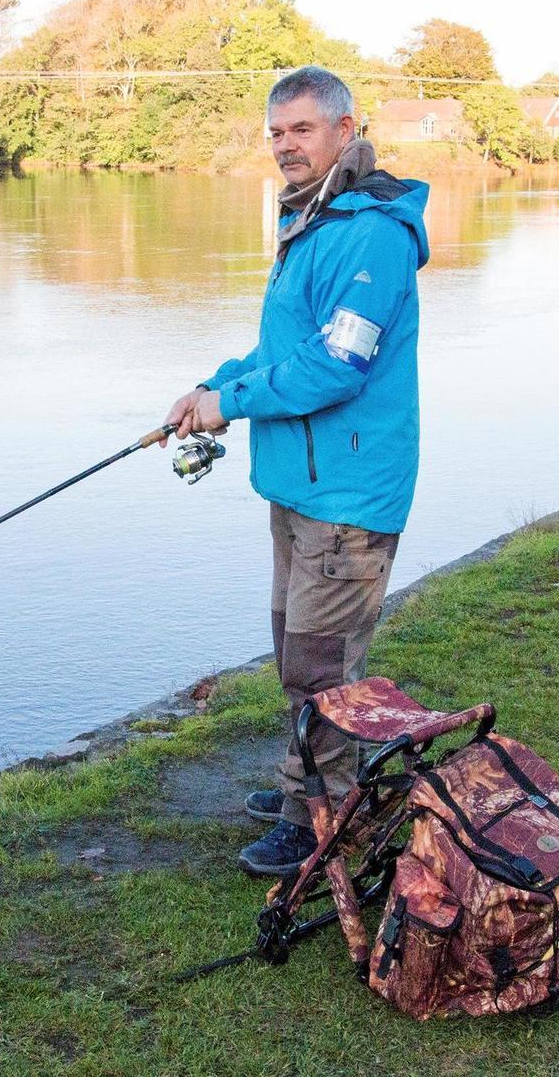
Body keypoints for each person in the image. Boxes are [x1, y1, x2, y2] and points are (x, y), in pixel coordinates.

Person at [161, 66, 429, 878]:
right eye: (276, 132)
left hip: (347, 495)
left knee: (323, 665)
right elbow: (285, 351)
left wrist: (231, 405)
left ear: (347, 131)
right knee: (295, 651)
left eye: (303, 130)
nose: (285, 146)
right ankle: (301, 788)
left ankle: (325, 819)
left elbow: (336, 366)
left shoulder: (373, 233)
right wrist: (215, 386)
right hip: (298, 485)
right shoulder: (313, 220)